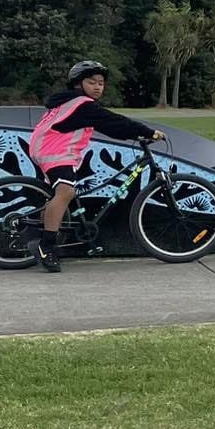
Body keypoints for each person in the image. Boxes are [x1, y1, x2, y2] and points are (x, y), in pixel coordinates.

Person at [28, 60, 165, 273]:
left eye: (101, 83)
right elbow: (113, 120)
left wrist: (133, 133)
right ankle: (46, 247)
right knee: (66, 191)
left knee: (56, 196)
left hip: (46, 148)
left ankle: (40, 234)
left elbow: (109, 127)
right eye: (92, 82)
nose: (98, 86)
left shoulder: (71, 103)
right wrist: (147, 132)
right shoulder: (82, 104)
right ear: (77, 84)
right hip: (55, 151)